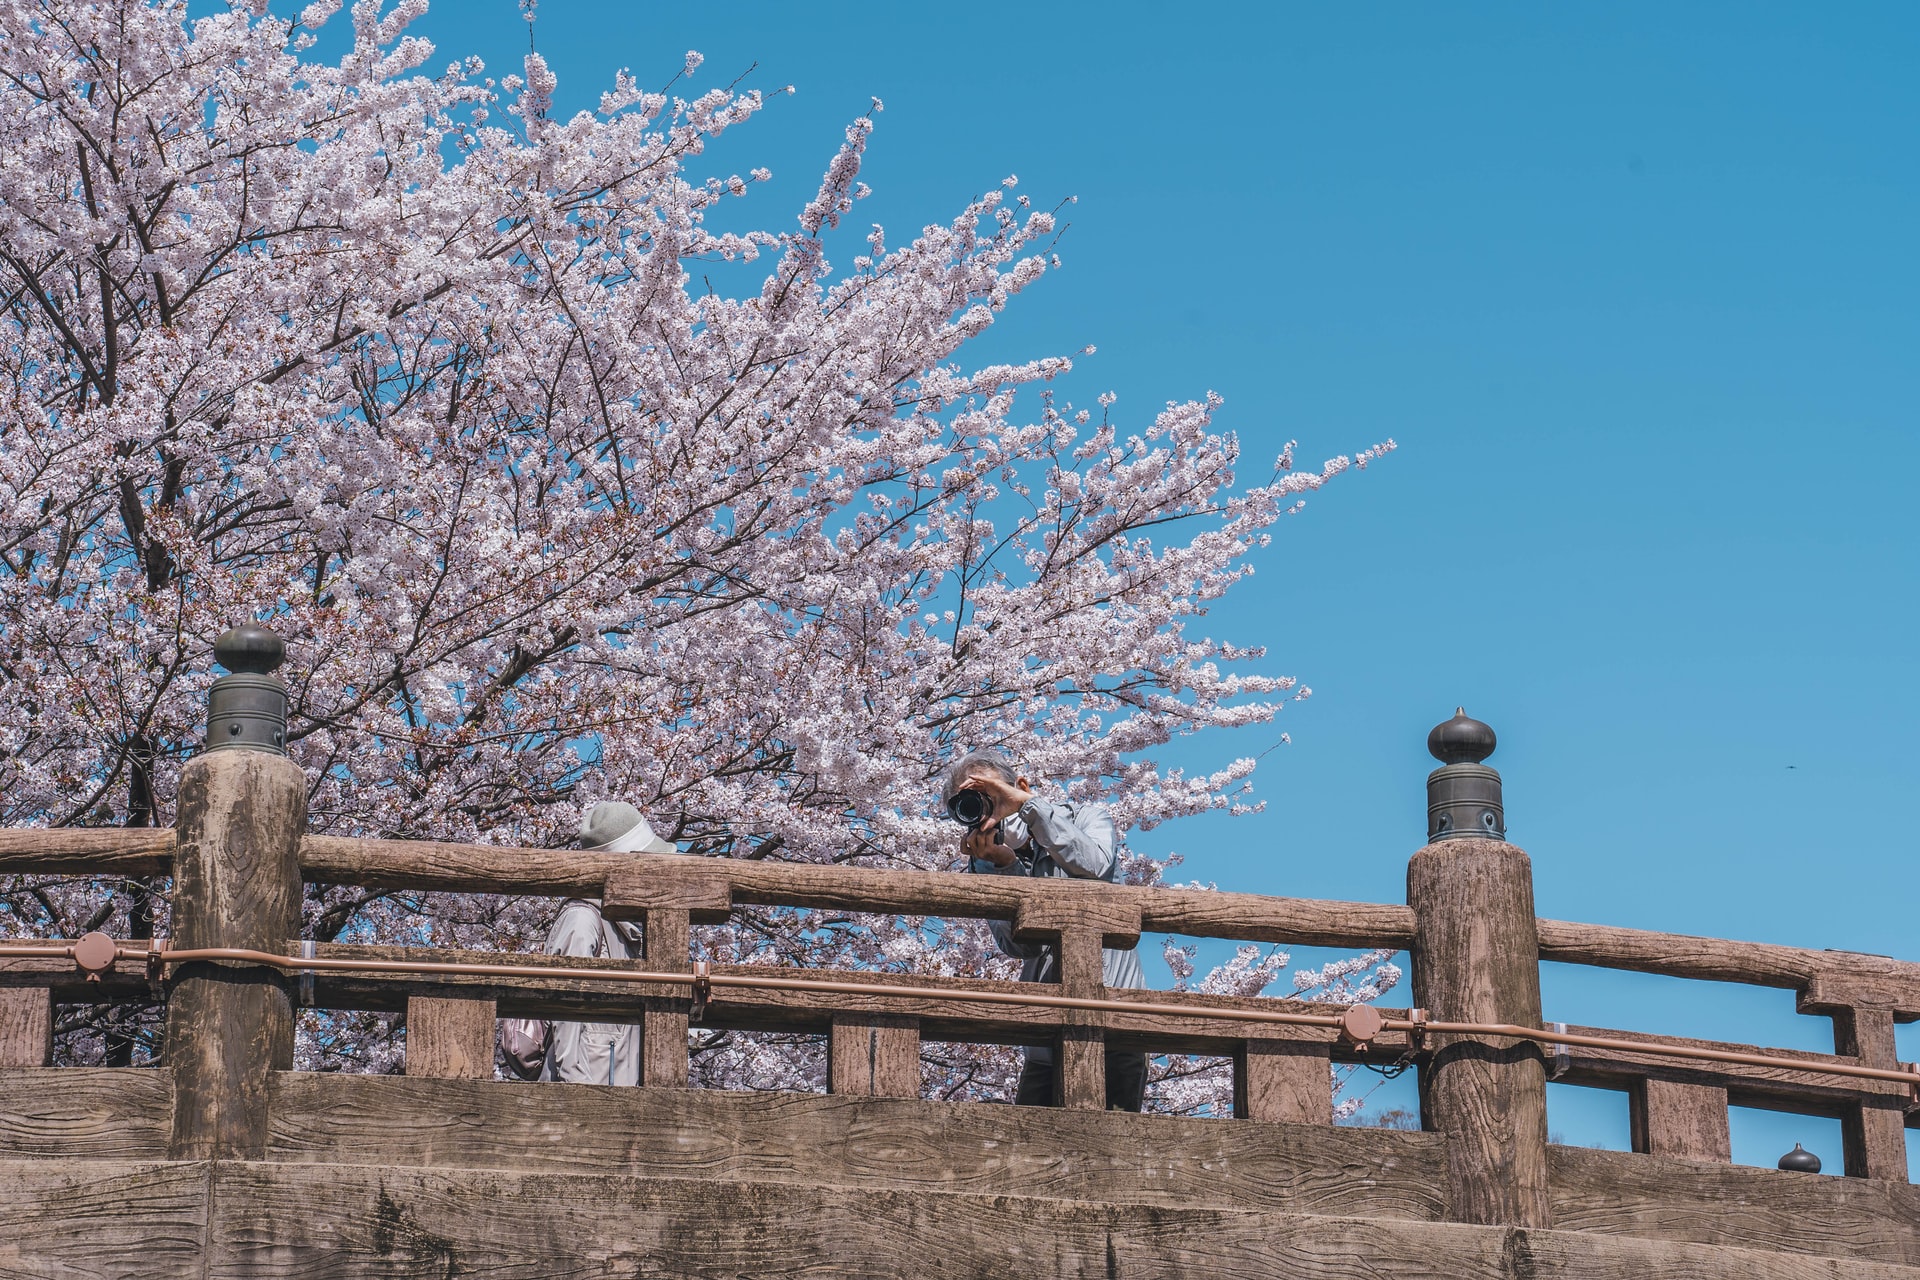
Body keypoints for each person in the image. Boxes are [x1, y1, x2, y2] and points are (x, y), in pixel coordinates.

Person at [948, 750, 1149, 1111]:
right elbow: (1017, 947)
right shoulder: (988, 860)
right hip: (1045, 1040)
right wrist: (1002, 868)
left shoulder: (1088, 818)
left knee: (1117, 1159)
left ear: (1020, 788)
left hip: (1119, 1025)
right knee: (1032, 1159)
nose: (989, 812)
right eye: (974, 804)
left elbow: (1095, 865)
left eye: (992, 797)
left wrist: (1031, 809)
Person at [541, 801, 679, 1085]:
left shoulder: (622, 928)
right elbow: (565, 1009)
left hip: (614, 1094)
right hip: (588, 1099)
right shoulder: (582, 919)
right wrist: (576, 1089)